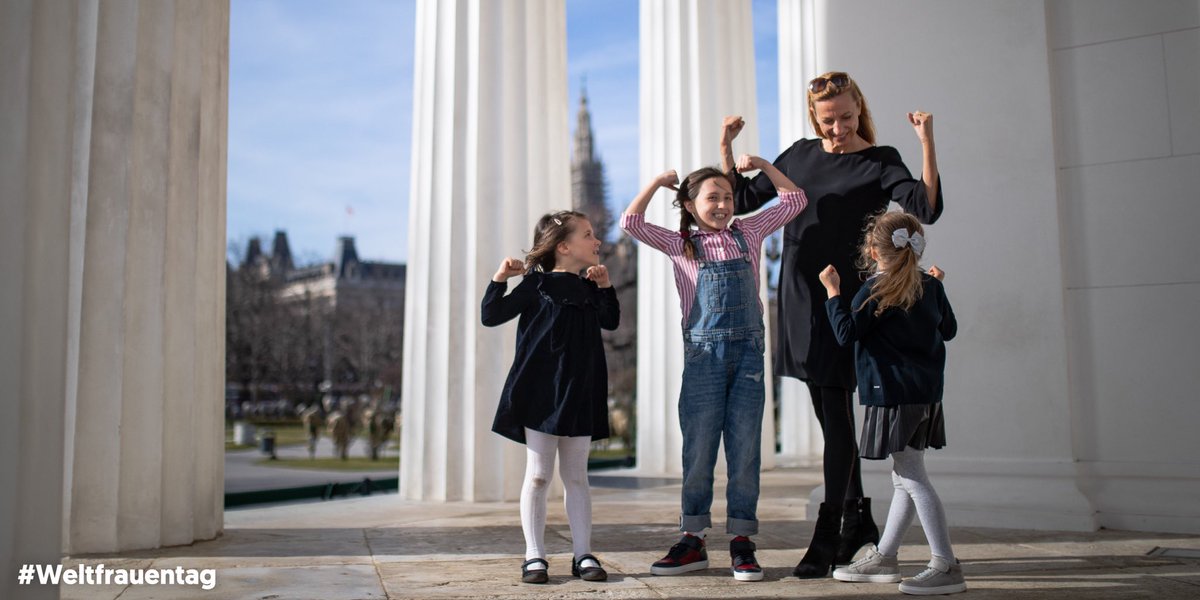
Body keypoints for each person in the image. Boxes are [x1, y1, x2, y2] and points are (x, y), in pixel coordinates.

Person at [721, 70, 945, 577]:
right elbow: (742, 202)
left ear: (858, 107)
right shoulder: (799, 154)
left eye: (845, 116)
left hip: (847, 299)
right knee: (828, 411)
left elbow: (926, 207)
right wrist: (726, 145)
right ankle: (859, 522)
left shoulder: (880, 160)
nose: (838, 127)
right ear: (814, 117)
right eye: (829, 119)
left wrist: (927, 141)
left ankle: (828, 533)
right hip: (801, 295)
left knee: (838, 415)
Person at [621, 154, 807, 581]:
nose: (722, 204)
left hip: (747, 359)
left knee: (744, 452)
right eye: (712, 198)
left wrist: (760, 164)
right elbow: (631, 223)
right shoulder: (678, 243)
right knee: (699, 450)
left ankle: (742, 541)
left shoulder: (750, 231)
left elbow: (794, 199)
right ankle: (692, 540)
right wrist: (656, 181)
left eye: (727, 196)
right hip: (703, 360)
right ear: (690, 204)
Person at [819, 211, 965, 595]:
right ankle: (885, 555)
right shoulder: (930, 288)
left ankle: (945, 563)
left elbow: (846, 333)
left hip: (894, 395)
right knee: (904, 475)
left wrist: (833, 292)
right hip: (926, 396)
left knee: (912, 476)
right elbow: (948, 330)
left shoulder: (875, 290)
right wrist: (938, 286)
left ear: (872, 250)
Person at [480, 211, 620, 584]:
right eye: (588, 235)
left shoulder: (591, 286)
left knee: (577, 476)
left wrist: (606, 286)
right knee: (540, 476)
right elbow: (491, 316)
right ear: (563, 246)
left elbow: (611, 321)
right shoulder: (534, 285)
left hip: (581, 391)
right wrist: (499, 279)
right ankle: (534, 555)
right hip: (541, 393)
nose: (597, 242)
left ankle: (583, 554)